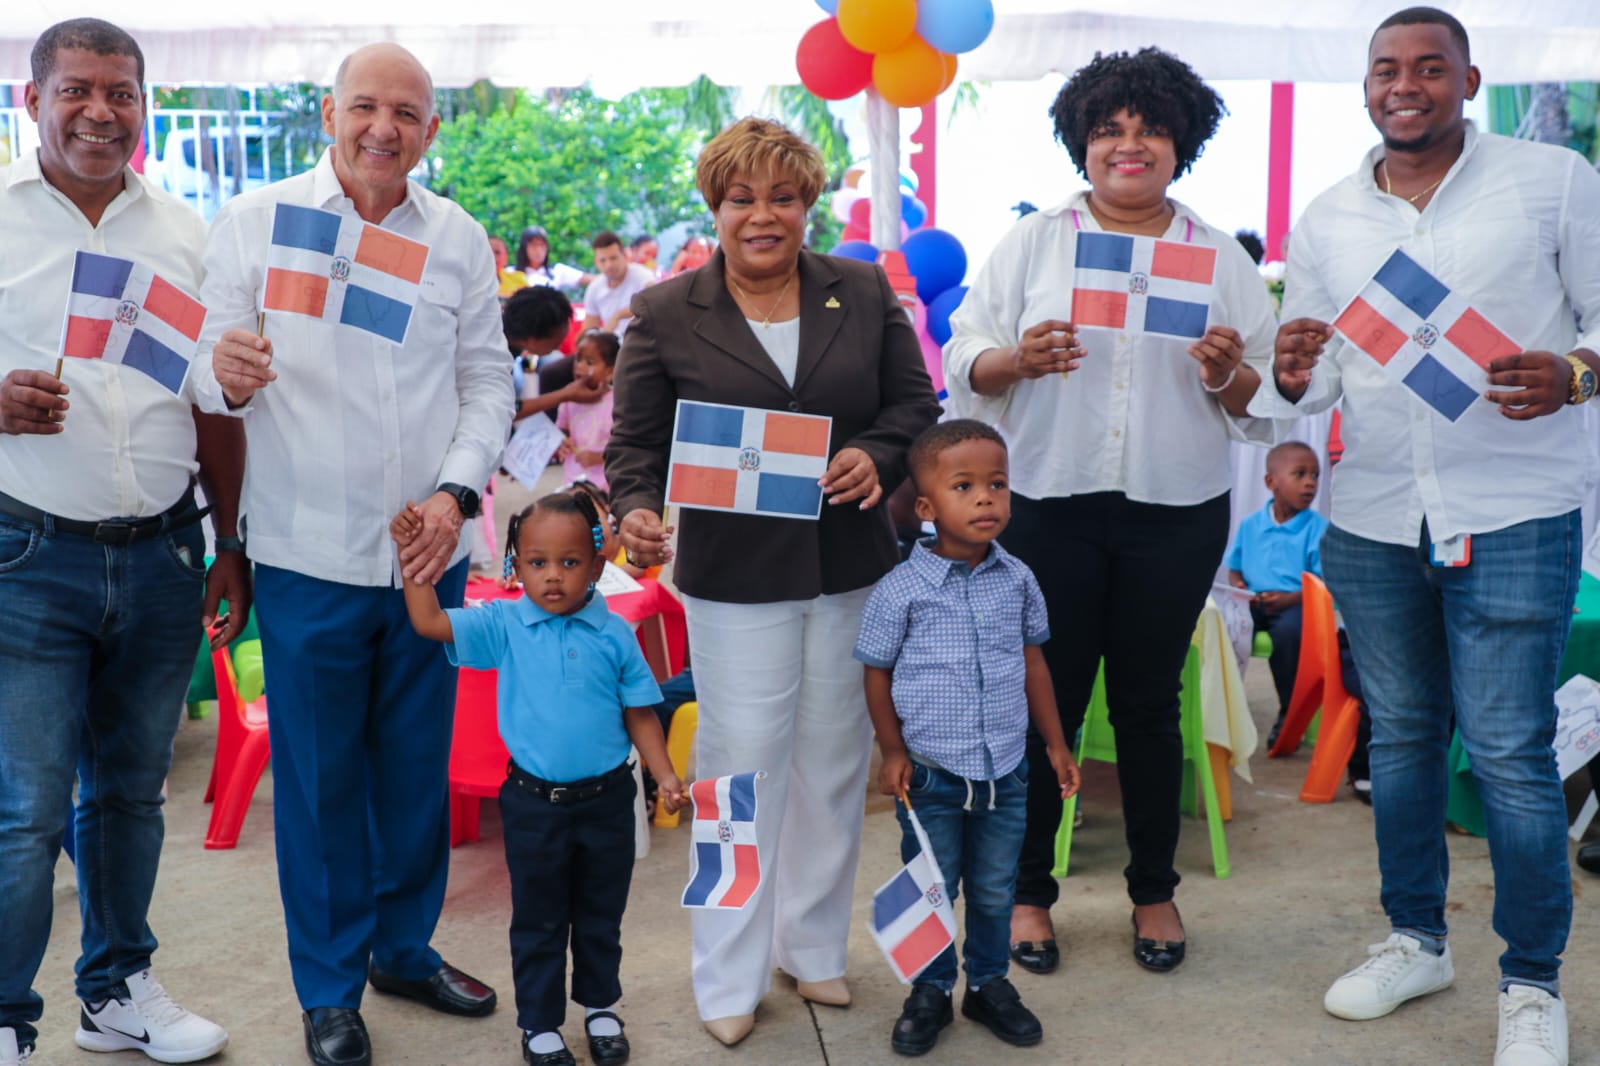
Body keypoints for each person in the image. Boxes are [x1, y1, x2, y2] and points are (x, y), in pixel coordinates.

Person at [1249, 8, 1600, 1064]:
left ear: (1468, 80)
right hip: (1374, 518)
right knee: (1398, 740)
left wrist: (1576, 373)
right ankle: (1416, 939)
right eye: (1385, 69)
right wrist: (1292, 371)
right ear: (1365, 87)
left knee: (1509, 751)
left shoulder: (1552, 180)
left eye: (1429, 67)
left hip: (1515, 509)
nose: (1404, 85)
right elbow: (1310, 379)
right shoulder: (1328, 217)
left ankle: (1531, 983)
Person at [193, 42, 513, 1066]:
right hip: (306, 554)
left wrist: (456, 496)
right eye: (365, 107)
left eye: (407, 113)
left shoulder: (455, 237)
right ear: (329, 114)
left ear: (431, 129)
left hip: (427, 555)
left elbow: (487, 382)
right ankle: (329, 988)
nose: (384, 128)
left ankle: (404, 949)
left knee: (417, 769)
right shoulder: (257, 221)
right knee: (322, 783)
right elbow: (201, 374)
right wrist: (226, 372)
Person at [944, 46, 1278, 979]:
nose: (1129, 145)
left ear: (1182, 144)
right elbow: (964, 354)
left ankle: (1153, 890)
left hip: (1176, 507)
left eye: (1150, 130)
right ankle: (1027, 893)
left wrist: (1228, 373)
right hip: (1049, 501)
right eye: (1108, 130)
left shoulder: (1218, 256)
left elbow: (1265, 400)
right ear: (1081, 145)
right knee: (1040, 697)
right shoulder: (1036, 242)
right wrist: (1015, 360)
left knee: (1148, 703)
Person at [607, 116, 940, 1046]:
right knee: (735, 773)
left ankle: (813, 946)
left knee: (833, 762)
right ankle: (727, 972)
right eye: (742, 198)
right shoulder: (664, 312)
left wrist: (879, 454)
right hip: (732, 579)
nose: (763, 215)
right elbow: (635, 447)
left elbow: (914, 404)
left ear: (808, 205)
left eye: (783, 197)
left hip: (848, 567)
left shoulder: (862, 290)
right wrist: (635, 509)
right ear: (715, 209)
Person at [0, 18, 247, 1066]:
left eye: (121, 93)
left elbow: (215, 403)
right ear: (33, 99)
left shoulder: (188, 232)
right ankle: (6, 1018)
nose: (100, 111)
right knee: (24, 809)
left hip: (163, 554)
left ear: (144, 105)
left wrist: (230, 542)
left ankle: (115, 993)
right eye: (77, 90)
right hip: (27, 558)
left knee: (132, 794)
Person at [392, 489, 686, 1066]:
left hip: (608, 801)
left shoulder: (614, 633)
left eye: (569, 562)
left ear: (597, 566)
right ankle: (540, 1025)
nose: (553, 576)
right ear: (515, 566)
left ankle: (601, 1007)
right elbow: (428, 621)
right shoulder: (504, 625)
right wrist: (411, 560)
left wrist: (666, 774)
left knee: (601, 915)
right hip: (534, 806)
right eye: (537, 562)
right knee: (539, 920)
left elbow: (639, 713)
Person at [855, 420, 1080, 1057]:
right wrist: (892, 751)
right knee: (933, 886)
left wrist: (1055, 743)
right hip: (930, 775)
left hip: (1006, 771)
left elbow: (1034, 662)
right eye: (964, 486)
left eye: (997, 484)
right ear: (927, 508)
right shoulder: (900, 589)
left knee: (994, 887)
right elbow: (876, 672)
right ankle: (930, 991)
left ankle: (986, 984)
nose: (986, 497)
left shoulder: (1019, 579)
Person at [1225, 440, 1328, 746]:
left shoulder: (1317, 528)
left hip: (1296, 603)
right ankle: (1224, 709)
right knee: (1224, 627)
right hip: (1253, 602)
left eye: (1315, 475)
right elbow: (1234, 568)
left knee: (1289, 636)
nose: (1310, 483)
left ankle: (1289, 712)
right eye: (1300, 474)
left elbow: (1322, 582)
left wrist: (1290, 599)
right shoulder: (1251, 524)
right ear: (1271, 482)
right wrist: (1241, 587)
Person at [504, 287, 603, 429]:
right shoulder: (494, 358)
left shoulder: (512, 338)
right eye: (555, 344)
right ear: (531, 340)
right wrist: (566, 394)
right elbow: (506, 410)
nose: (558, 348)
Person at [555, 331, 618, 491]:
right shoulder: (569, 397)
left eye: (590, 362)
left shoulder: (617, 402)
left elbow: (624, 447)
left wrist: (599, 457)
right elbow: (561, 430)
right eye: (578, 359)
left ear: (610, 372)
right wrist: (562, 441)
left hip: (606, 486)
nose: (580, 366)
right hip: (574, 480)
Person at [581, 232, 654, 338]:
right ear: (596, 262)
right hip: (613, 344)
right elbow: (589, 331)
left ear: (624, 255)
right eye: (603, 260)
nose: (609, 265)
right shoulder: (594, 288)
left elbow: (653, 303)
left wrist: (619, 315)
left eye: (613, 258)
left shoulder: (642, 276)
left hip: (643, 340)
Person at [517, 225, 589, 291]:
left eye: (542, 245)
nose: (538, 250)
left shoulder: (557, 270)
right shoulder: (512, 273)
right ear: (524, 248)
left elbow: (591, 279)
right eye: (534, 246)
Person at [492, 235, 530, 301]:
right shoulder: (473, 283)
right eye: (488, 252)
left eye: (497, 252)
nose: (492, 256)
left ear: (506, 257)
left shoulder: (519, 279)